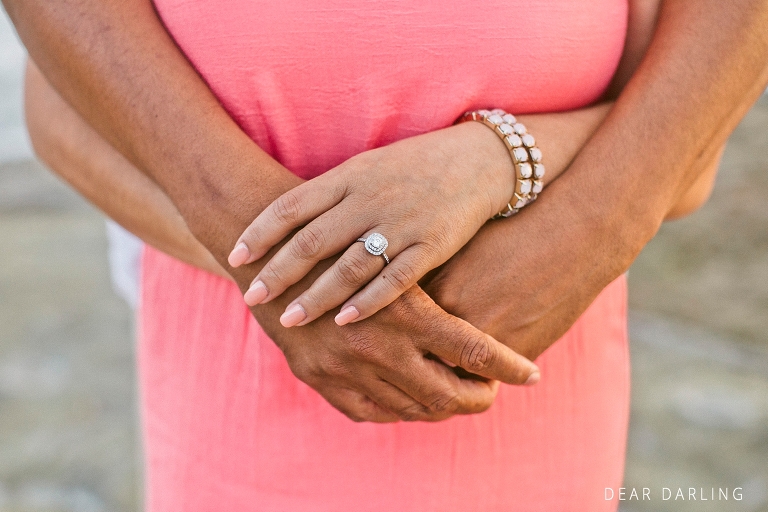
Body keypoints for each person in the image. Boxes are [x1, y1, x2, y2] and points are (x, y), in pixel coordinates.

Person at [7, 0, 768, 509]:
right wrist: (275, 255)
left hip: (532, 365)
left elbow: (685, 150)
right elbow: (58, 111)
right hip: (236, 376)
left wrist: (570, 200)